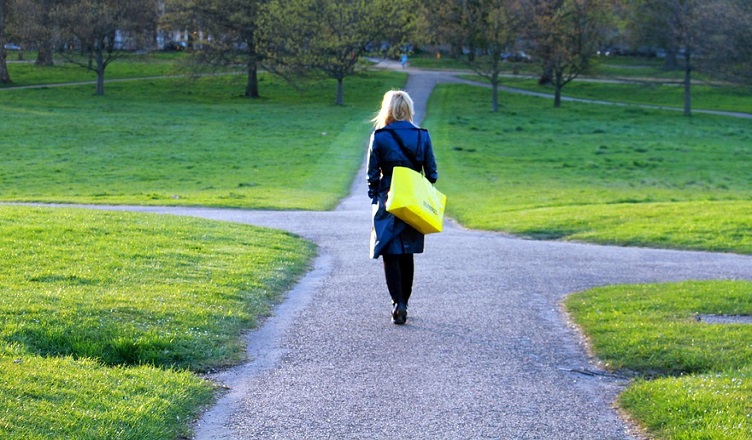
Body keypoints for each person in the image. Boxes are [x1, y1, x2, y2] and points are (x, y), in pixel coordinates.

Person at [366, 90, 438, 325]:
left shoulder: (379, 136)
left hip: (388, 198)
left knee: (389, 251)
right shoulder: (422, 136)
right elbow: (433, 174)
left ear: (387, 109)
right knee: (407, 252)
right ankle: (404, 301)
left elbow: (371, 176)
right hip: (413, 200)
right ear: (408, 109)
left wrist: (376, 195)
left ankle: (397, 302)